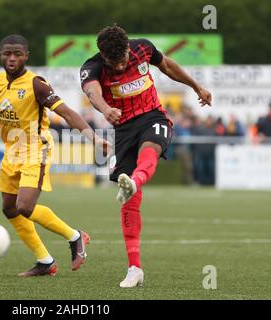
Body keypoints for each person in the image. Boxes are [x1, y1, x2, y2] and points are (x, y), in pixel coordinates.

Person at [0, 34, 110, 276]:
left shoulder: (36, 83)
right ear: (1, 55)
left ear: (26, 56)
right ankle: (45, 261)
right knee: (9, 209)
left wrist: (93, 137)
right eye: (7, 53)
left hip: (36, 148)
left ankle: (75, 236)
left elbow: (67, 113)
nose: (12, 58)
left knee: (24, 207)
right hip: (12, 151)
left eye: (18, 54)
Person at [80, 25, 212, 287]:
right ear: (103, 56)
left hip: (153, 116)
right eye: (113, 63)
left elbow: (168, 66)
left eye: (123, 61)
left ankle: (134, 181)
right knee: (129, 201)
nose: (119, 67)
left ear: (129, 49)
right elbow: (92, 92)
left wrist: (196, 86)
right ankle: (134, 268)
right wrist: (106, 109)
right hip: (123, 129)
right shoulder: (92, 67)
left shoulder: (143, 48)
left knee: (148, 154)